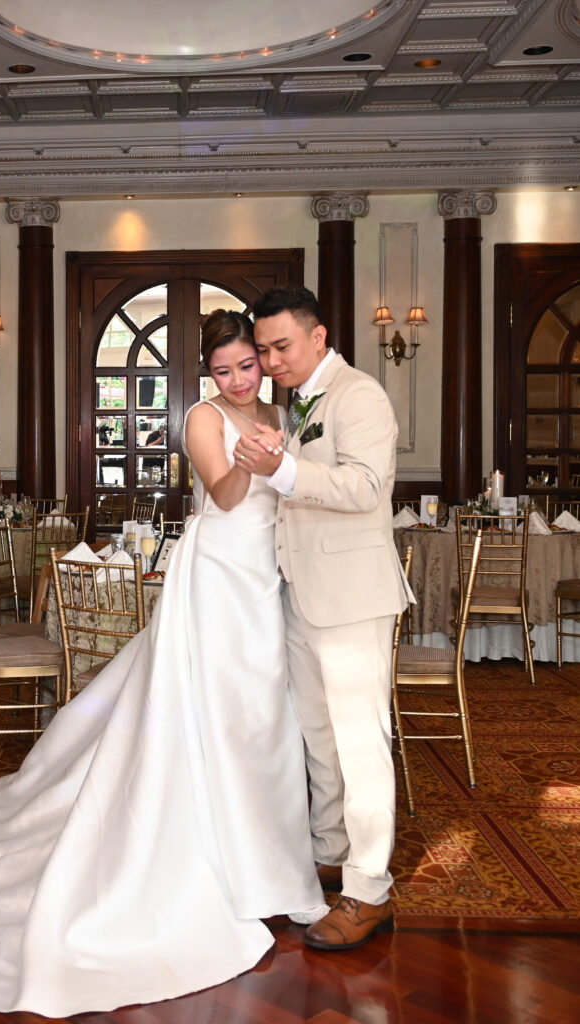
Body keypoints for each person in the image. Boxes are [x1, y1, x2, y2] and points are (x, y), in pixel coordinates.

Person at [0, 308, 327, 1018]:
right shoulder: (204, 419)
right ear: (208, 375)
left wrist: (284, 458)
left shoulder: (282, 411)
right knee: (213, 716)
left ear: (262, 361)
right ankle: (214, 869)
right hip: (216, 578)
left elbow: (299, 490)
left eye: (247, 365)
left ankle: (279, 874)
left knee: (265, 722)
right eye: (222, 371)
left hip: (265, 578)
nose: (239, 380)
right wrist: (257, 459)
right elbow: (224, 495)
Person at [235, 284, 412, 951]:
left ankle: (369, 891)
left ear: (318, 336)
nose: (270, 361)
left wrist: (282, 470)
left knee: (360, 745)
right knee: (319, 740)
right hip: (301, 595)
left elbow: (365, 488)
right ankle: (330, 857)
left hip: (352, 600)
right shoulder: (297, 405)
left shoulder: (360, 395)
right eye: (263, 350)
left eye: (281, 346)